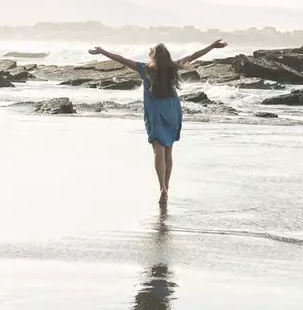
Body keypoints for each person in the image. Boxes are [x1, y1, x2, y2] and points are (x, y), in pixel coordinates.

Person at [89, 39, 226, 201]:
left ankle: (162, 187)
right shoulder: (173, 67)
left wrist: (102, 51)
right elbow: (195, 55)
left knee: (158, 151)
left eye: (151, 51)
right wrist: (212, 46)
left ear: (153, 56)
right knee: (168, 150)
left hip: (155, 113)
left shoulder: (145, 69)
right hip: (172, 111)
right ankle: (166, 186)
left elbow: (121, 59)